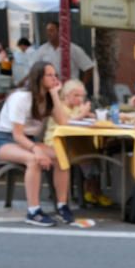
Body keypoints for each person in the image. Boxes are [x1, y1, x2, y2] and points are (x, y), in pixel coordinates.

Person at [0, 61, 73, 227]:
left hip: (29, 140)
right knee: (34, 160)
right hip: (6, 140)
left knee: (61, 157)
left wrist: (55, 95)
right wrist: (36, 150)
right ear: (38, 78)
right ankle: (33, 211)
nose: (54, 78)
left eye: (55, 75)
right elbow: (17, 135)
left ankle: (62, 205)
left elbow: (63, 122)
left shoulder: (47, 98)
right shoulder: (21, 98)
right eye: (49, 75)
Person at [42, 79, 111, 208]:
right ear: (66, 95)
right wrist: (82, 114)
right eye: (76, 95)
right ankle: (91, 189)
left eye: (82, 96)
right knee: (86, 150)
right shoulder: (60, 106)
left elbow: (83, 119)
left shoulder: (77, 107)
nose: (80, 99)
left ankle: (92, 189)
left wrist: (91, 116)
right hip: (56, 141)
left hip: (73, 141)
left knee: (91, 149)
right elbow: (66, 122)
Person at [24, 21, 94, 85]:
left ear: (60, 32)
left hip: (68, 89)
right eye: (47, 31)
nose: (48, 33)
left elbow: (88, 68)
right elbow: (33, 68)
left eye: (51, 31)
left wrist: (81, 86)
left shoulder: (73, 49)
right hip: (50, 90)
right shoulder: (42, 49)